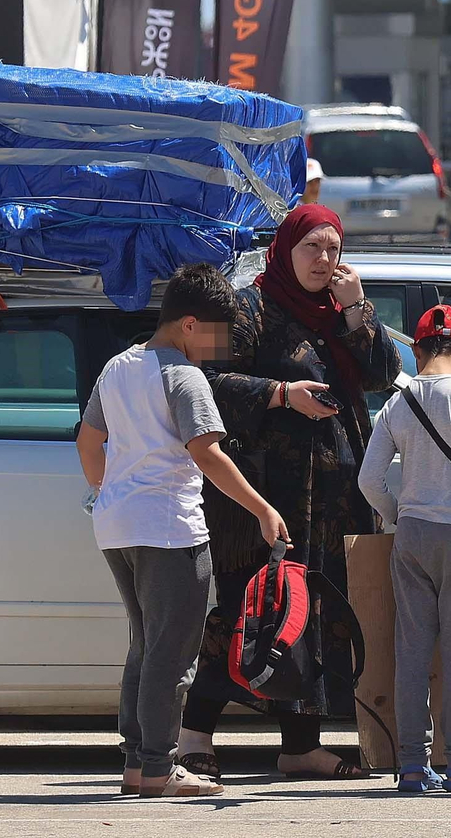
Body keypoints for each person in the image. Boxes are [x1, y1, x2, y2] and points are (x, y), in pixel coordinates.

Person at [177, 203, 401, 782]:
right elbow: (203, 382)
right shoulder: (250, 308)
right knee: (247, 615)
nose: (324, 261)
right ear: (285, 249)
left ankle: (300, 745)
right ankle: (192, 736)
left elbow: (382, 374)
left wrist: (356, 309)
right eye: (312, 248)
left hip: (330, 504)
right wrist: (280, 393)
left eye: (333, 250)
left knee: (312, 619)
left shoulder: (339, 314)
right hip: (262, 501)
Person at [76, 264, 290, 799]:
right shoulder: (183, 376)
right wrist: (263, 510)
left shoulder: (117, 368)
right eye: (219, 333)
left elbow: (88, 442)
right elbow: (207, 454)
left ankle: (135, 764)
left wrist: (108, 493)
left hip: (117, 526)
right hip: (169, 527)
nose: (221, 346)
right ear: (190, 324)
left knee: (144, 647)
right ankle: (158, 769)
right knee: (171, 654)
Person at [358, 305, 451, 796]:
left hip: (413, 536)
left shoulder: (395, 406)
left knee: (412, 651)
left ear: (417, 350)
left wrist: (399, 513)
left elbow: (368, 479)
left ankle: (411, 766)